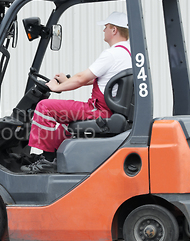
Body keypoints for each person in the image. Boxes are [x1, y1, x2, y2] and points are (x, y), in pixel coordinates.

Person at [21, 11, 132, 174]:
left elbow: (81, 78)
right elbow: (93, 78)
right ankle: (51, 156)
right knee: (64, 122)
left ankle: (47, 161)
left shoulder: (112, 54)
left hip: (99, 112)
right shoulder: (128, 53)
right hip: (109, 111)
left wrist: (55, 87)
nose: (104, 30)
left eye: (106, 27)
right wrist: (67, 81)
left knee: (45, 107)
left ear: (114, 30)